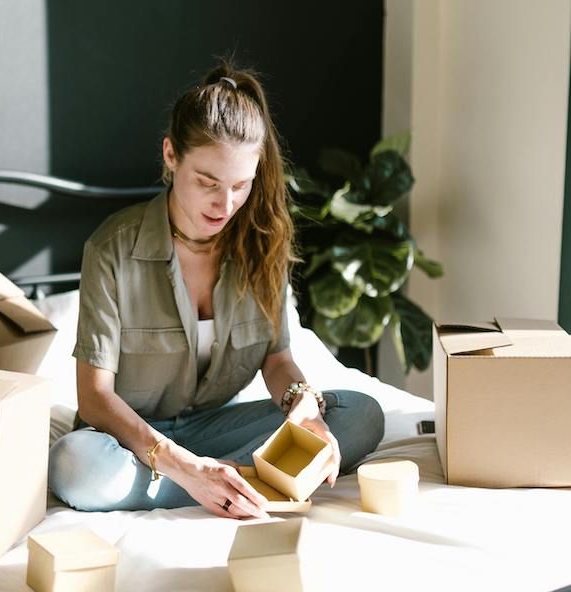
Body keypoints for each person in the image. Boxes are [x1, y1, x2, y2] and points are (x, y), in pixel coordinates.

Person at [49, 63, 384, 519]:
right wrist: (184, 466)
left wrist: (302, 407)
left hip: (215, 428)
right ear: (171, 155)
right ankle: (233, 483)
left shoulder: (262, 244)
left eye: (240, 185)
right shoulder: (112, 249)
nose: (225, 204)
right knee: (75, 466)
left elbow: (278, 359)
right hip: (128, 440)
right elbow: (94, 399)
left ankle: (223, 481)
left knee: (359, 413)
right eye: (208, 183)